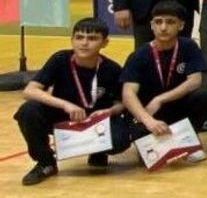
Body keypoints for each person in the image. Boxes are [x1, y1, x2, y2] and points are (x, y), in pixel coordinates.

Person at [14, 18, 130, 186]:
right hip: (64, 116)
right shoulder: (60, 59)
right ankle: (46, 162)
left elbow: (122, 103)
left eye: (92, 38)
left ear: (105, 43)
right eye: (79, 37)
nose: (84, 43)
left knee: (120, 139)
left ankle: (99, 151)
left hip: (96, 122)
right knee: (28, 111)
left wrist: (109, 112)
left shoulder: (112, 69)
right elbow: (30, 91)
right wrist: (65, 105)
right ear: (72, 40)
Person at [120, 0, 207, 163]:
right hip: (149, 112)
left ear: (181, 25)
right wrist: (148, 120)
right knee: (145, 153)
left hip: (175, 107)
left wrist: (160, 99)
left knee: (204, 95)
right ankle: (151, 142)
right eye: (158, 22)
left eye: (170, 22)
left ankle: (189, 139)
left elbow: (194, 81)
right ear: (152, 25)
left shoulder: (189, 46)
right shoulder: (139, 55)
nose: (163, 27)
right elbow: (128, 94)